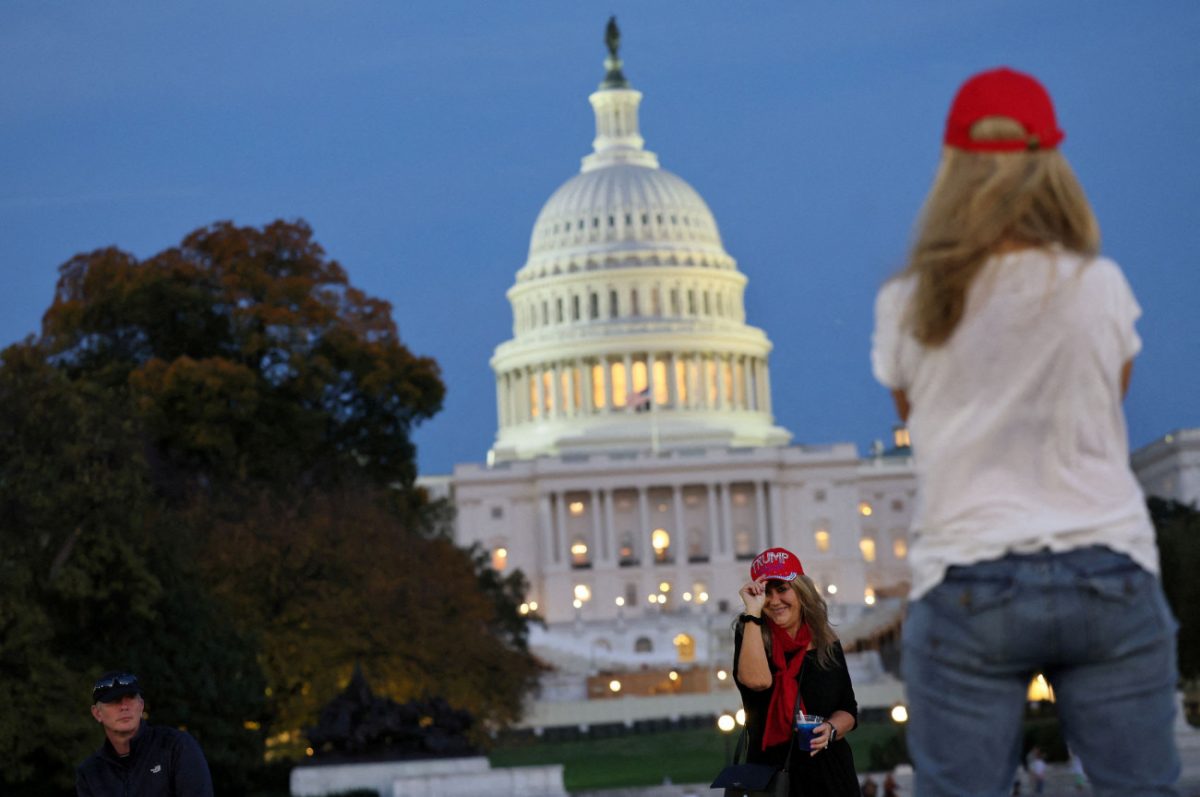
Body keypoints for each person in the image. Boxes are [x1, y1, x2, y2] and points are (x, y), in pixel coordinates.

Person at [871, 66, 1181, 796]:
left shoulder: (910, 302)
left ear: (951, 167)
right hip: (1107, 570)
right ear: (1052, 166)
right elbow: (1106, 405)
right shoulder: (1100, 286)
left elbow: (918, 422)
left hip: (968, 577)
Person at [733, 546, 861, 796]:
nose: (774, 601)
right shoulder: (751, 633)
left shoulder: (824, 641)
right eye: (766, 592)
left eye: (782, 589)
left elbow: (848, 708)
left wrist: (830, 729)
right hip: (772, 777)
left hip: (829, 775)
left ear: (801, 591)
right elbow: (757, 681)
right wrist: (753, 612)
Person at [76, 671, 214, 797]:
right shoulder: (90, 772)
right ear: (97, 713)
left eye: (130, 697)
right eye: (114, 701)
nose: (124, 706)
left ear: (141, 705)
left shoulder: (176, 747)